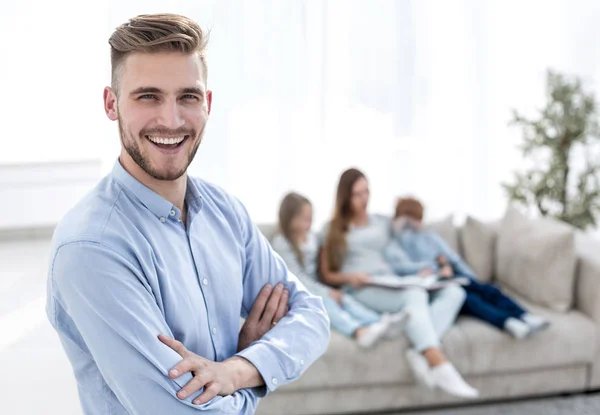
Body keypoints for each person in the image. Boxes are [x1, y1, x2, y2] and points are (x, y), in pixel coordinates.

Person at [45, 14, 330, 415]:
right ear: (112, 104)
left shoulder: (225, 212)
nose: (171, 120)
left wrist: (235, 369)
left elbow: (312, 318)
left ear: (207, 103)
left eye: (188, 97)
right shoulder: (92, 248)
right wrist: (252, 380)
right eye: (148, 96)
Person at [319, 168, 478, 398]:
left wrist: (426, 265)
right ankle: (439, 363)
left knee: (454, 292)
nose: (364, 199)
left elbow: (407, 244)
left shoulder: (382, 222)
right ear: (345, 197)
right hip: (361, 287)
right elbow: (326, 275)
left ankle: (418, 350)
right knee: (415, 296)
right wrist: (351, 277)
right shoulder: (332, 229)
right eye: (357, 194)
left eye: (367, 192)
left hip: (392, 280)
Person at [385, 197, 550, 340]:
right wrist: (435, 267)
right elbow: (401, 267)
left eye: (419, 219)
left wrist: (471, 278)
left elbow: (452, 258)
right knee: (471, 300)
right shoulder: (395, 244)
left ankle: (524, 316)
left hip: (453, 275)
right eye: (413, 219)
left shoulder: (430, 237)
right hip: (434, 285)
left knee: (488, 290)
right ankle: (508, 322)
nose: (417, 224)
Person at [271, 192, 409, 348]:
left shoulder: (311, 238)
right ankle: (358, 331)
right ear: (290, 219)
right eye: (304, 219)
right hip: (297, 292)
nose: (308, 223)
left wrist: (330, 290)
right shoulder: (282, 242)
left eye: (310, 218)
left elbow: (319, 272)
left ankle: (379, 322)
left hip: (315, 288)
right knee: (326, 303)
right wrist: (325, 291)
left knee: (344, 299)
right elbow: (297, 278)